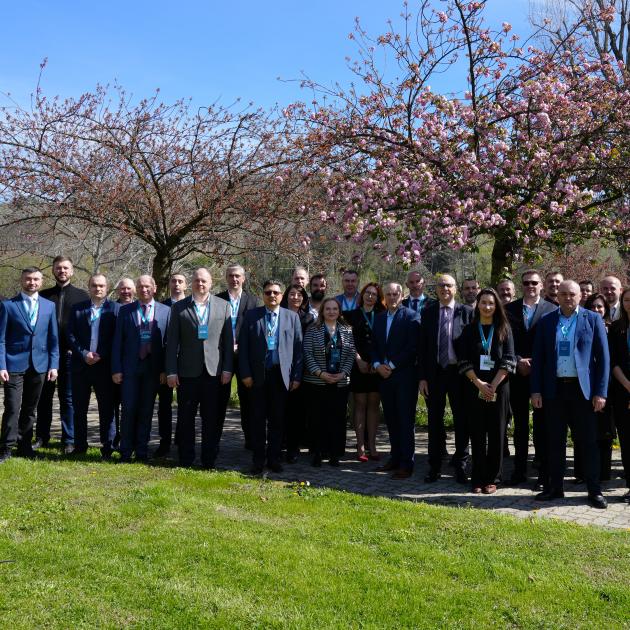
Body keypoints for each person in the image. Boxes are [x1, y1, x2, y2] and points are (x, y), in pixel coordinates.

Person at [531, 280, 610, 509]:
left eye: (572, 294)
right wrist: (536, 389)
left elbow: (603, 360)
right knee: (554, 442)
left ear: (579, 296)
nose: (567, 297)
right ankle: (555, 488)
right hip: (554, 390)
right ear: (557, 296)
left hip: (582, 392)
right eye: (563, 294)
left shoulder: (592, 319)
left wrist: (600, 392)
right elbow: (539, 360)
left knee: (588, 442)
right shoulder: (547, 322)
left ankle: (594, 491)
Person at [166, 268, 233, 468]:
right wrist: (171, 370)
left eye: (204, 281)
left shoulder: (224, 306)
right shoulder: (178, 308)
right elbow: (171, 343)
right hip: (187, 372)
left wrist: (228, 368)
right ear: (191, 283)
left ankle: (208, 459)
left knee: (211, 419)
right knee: (186, 418)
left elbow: (228, 342)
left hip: (214, 373)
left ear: (211, 283)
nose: (200, 284)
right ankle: (186, 458)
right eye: (196, 280)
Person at [239, 280, 303, 474]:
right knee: (257, 419)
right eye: (268, 292)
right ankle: (258, 460)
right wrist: (245, 374)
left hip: (281, 375)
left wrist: (296, 376)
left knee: (277, 420)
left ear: (282, 296)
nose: (272, 295)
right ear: (263, 295)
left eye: (276, 292)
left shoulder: (291, 317)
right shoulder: (251, 316)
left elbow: (298, 350)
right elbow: (243, 349)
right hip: (257, 376)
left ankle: (274, 458)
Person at [458, 288, 516, 493]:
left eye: (491, 303)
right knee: (477, 432)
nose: (487, 306)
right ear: (478, 304)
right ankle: (478, 477)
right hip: (475, 387)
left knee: (497, 433)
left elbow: (509, 360)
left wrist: (493, 385)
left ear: (496, 306)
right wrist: (480, 384)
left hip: (499, 388)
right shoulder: (469, 330)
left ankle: (493, 478)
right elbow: (463, 360)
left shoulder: (504, 329)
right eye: (483, 302)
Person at [0, 268, 59, 463]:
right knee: (12, 407)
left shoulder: (49, 306)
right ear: (22, 281)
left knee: (30, 408)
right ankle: (6, 448)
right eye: (28, 279)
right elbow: (1, 339)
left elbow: (53, 339)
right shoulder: (8, 305)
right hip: (13, 364)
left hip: (40, 364)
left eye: (36, 279)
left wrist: (54, 365)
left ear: (41, 282)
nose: (32, 283)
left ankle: (25, 445)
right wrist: (1, 366)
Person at [504, 270, 557, 488]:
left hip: (541, 375)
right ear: (521, 285)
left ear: (542, 285)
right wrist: (517, 361)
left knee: (542, 425)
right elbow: (504, 340)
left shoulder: (552, 309)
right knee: (520, 426)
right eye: (526, 283)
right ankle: (519, 470)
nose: (530, 286)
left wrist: (534, 362)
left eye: (534, 282)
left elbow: (553, 343)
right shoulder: (508, 309)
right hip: (516, 375)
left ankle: (543, 473)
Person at [418, 274, 473, 483]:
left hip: (459, 374)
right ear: (436, 289)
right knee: (434, 421)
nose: (445, 289)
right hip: (435, 374)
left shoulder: (466, 312)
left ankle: (460, 465)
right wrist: (422, 377)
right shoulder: (428, 312)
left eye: (449, 285)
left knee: (461, 420)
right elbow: (422, 347)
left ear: (455, 289)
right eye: (441, 285)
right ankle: (434, 466)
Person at [112, 275, 170, 463]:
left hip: (153, 370)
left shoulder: (166, 311)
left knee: (146, 411)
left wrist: (164, 370)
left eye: (147, 286)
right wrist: (116, 369)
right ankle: (126, 452)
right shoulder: (125, 311)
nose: (143, 289)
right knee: (128, 410)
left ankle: (142, 451)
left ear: (154, 288)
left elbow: (169, 345)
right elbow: (117, 342)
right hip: (130, 368)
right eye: (140, 286)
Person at [34, 255, 89, 454]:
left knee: (68, 398)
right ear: (53, 271)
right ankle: (42, 436)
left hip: (70, 355)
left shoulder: (82, 296)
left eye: (66, 268)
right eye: (58, 268)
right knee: (43, 397)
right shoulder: (43, 295)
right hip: (45, 355)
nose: (62, 271)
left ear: (72, 271)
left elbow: (85, 327)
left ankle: (69, 439)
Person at [67, 274, 120, 459]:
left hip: (104, 367)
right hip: (81, 366)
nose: (98, 289)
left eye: (101, 286)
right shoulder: (77, 309)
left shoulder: (116, 309)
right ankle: (80, 445)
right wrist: (83, 354)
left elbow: (116, 338)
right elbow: (70, 335)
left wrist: (100, 355)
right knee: (79, 408)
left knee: (107, 408)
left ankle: (108, 446)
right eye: (94, 285)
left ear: (107, 288)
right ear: (89, 287)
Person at [371, 282, 420, 479]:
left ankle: (407, 464)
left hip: (404, 377)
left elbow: (412, 347)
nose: (392, 297)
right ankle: (395, 457)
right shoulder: (380, 318)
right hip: (384, 378)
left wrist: (390, 365)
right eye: (389, 294)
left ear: (402, 296)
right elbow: (373, 345)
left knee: (405, 421)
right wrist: (376, 365)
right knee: (391, 419)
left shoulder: (411, 316)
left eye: (395, 294)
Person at [303, 298, 356, 466]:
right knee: (318, 418)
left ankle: (335, 454)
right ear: (322, 311)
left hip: (340, 383)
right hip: (317, 382)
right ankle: (318, 452)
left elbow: (350, 353)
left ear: (339, 311)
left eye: (335, 309)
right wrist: (320, 373)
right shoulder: (313, 329)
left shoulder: (347, 330)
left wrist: (343, 373)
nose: (331, 312)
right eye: (328, 309)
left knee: (337, 419)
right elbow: (307, 353)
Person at [215, 264, 260, 451]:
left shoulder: (253, 300)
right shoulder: (217, 299)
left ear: (244, 278)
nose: (234, 279)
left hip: (244, 357)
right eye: (231, 276)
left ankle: (250, 439)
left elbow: (255, 330)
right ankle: (214, 439)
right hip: (222, 356)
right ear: (226, 277)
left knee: (247, 400)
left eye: (238, 276)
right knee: (218, 400)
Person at [344, 283, 385, 461]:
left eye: (374, 294)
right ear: (362, 295)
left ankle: (373, 445)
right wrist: (358, 359)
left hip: (377, 366)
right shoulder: (351, 315)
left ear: (378, 297)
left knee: (374, 404)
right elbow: (348, 340)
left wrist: (377, 363)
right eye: (367, 293)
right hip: (358, 365)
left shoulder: (383, 315)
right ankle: (360, 446)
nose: (370, 296)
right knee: (359, 404)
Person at [154, 272, 188, 458]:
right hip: (166, 364)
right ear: (168, 284)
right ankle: (164, 442)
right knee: (164, 406)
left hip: (187, 363)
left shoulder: (192, 305)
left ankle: (181, 439)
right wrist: (163, 368)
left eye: (180, 281)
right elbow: (159, 340)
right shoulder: (162, 307)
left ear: (186, 285)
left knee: (185, 406)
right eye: (173, 281)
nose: (176, 284)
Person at [280, 283, 315, 462]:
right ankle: (278, 444)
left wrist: (298, 373)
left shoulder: (308, 319)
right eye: (292, 294)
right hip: (280, 368)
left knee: (296, 412)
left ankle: (293, 447)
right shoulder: (278, 315)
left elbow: (306, 347)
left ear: (304, 299)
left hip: (300, 370)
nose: (295, 297)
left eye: (299, 295)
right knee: (278, 410)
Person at [583, 292, 615, 483]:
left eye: (599, 307)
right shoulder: (582, 327)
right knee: (587, 431)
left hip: (609, 386)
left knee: (606, 432)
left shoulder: (614, 328)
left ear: (606, 309)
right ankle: (583, 472)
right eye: (592, 306)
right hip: (587, 385)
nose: (596, 310)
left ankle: (604, 473)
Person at [608, 287, 630, 503]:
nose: (629, 303)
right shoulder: (616, 328)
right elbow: (612, 362)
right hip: (623, 392)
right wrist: (627, 385)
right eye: (626, 300)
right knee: (627, 441)